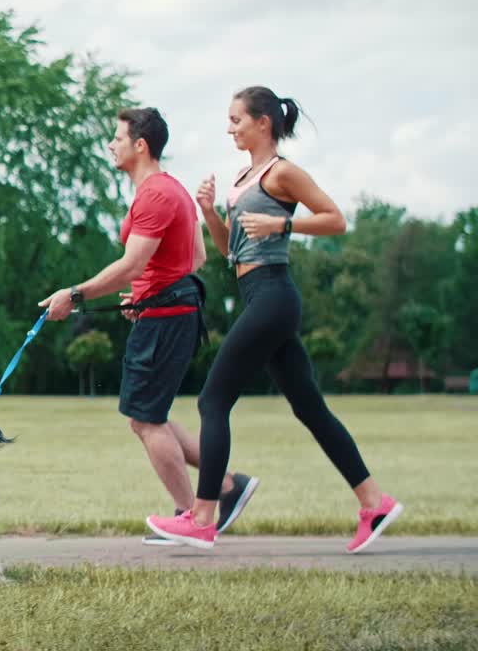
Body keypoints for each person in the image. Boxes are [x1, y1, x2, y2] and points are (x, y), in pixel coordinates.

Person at [146, 86, 403, 552]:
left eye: (236, 119)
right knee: (309, 407)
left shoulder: (282, 172)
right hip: (257, 295)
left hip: (274, 296)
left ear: (263, 122)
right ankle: (374, 501)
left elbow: (336, 219)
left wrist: (284, 224)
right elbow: (230, 252)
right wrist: (208, 213)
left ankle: (203, 515)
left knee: (213, 401)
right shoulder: (244, 176)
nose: (230, 128)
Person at [40, 107, 258, 545]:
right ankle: (230, 487)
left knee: (144, 420)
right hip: (166, 310)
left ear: (141, 145)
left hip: (166, 317)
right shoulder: (168, 190)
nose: (111, 145)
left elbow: (132, 263)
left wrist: (75, 294)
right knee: (150, 414)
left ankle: (193, 516)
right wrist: (146, 292)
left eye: (117, 138)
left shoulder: (155, 195)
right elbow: (194, 257)